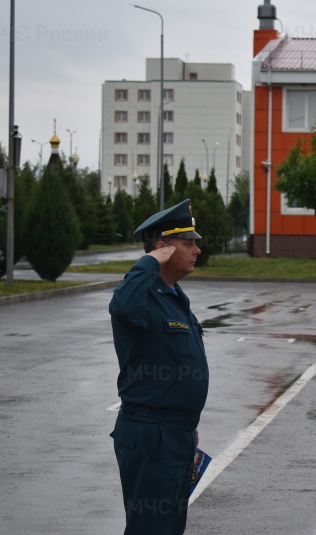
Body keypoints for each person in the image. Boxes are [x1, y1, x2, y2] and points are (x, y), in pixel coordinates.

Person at [109, 198, 209, 534]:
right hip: (152, 434)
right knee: (150, 528)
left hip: (176, 433)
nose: (197, 249)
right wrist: (148, 261)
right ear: (164, 248)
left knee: (167, 527)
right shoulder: (141, 295)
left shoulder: (173, 294)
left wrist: (187, 423)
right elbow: (120, 308)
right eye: (188, 243)